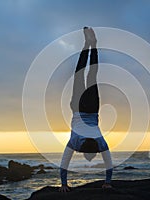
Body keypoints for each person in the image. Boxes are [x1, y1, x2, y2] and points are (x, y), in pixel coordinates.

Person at [59, 27, 113, 192]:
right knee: (80, 75)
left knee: (91, 75)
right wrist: (63, 184)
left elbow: (109, 165)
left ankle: (92, 45)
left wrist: (108, 181)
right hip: (77, 107)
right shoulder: (75, 142)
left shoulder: (101, 142)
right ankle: (87, 44)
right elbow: (63, 166)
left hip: (92, 108)